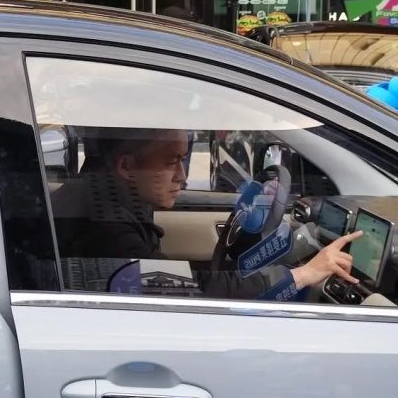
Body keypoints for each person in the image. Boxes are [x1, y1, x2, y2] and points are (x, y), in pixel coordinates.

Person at [50, 127, 363, 300]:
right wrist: (302, 274)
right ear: (127, 166)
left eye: (183, 161)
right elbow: (183, 286)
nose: (183, 177)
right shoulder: (105, 229)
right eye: (171, 162)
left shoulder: (112, 202)